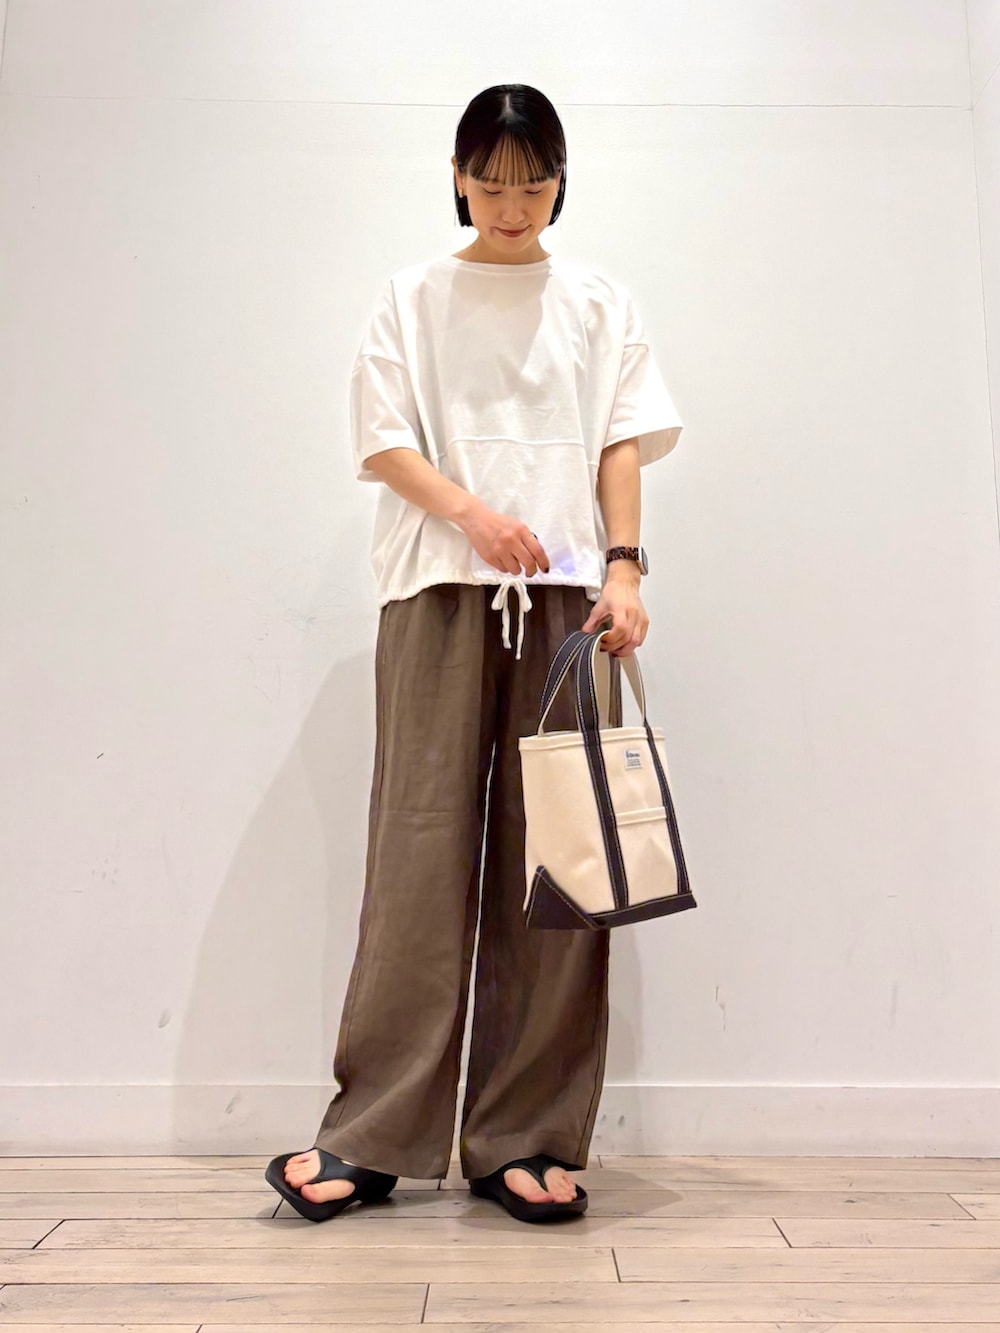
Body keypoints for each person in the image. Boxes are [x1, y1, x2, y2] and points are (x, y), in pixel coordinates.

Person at [265, 83, 683, 1225]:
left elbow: (619, 441)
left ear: (561, 181)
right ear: (456, 177)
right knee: (417, 851)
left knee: (562, 868)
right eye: (491, 183)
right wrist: (474, 516)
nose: (511, 205)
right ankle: (372, 1133)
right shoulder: (413, 295)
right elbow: (383, 442)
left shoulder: (596, 300)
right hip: (440, 591)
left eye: (532, 184)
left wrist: (625, 568)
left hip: (568, 603)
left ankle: (524, 1135)